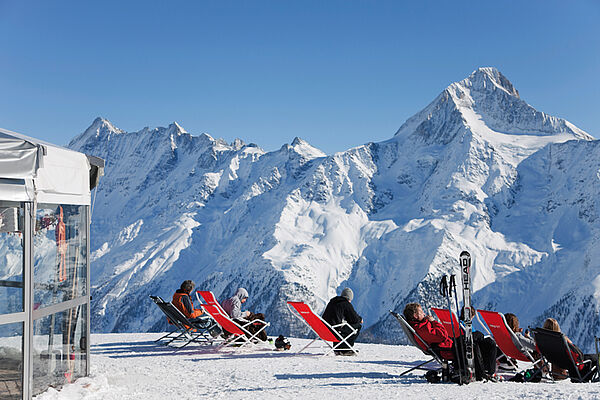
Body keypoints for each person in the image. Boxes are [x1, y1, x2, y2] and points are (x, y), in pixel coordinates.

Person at [403, 302, 496, 380]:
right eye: (421, 312)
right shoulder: (422, 328)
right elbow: (442, 335)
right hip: (448, 349)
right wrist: (433, 321)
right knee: (477, 337)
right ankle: (484, 373)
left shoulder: (421, 325)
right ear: (415, 316)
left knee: (488, 342)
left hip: (450, 345)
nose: (424, 314)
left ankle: (489, 372)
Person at [322, 288, 362, 355]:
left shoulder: (332, 302)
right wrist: (360, 319)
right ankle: (345, 350)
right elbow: (353, 319)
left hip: (324, 329)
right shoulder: (345, 303)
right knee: (357, 326)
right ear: (349, 298)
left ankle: (338, 349)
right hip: (334, 331)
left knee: (339, 327)